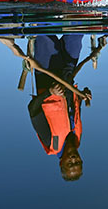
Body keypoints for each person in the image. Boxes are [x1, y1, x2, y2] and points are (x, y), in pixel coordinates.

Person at [26, 34, 88, 181]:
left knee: (46, 31)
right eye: (77, 162)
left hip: (46, 72)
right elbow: (72, 108)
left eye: (70, 164)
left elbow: (32, 109)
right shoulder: (77, 137)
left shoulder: (51, 142)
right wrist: (82, 94)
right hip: (68, 72)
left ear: (62, 163)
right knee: (77, 30)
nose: (73, 159)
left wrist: (50, 92)